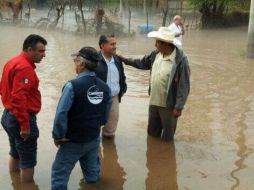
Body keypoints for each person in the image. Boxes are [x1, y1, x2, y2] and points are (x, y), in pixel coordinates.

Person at [51, 46, 112, 190]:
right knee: (92, 176)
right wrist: (96, 126)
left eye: (76, 61)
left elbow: (61, 114)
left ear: (82, 64)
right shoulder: (105, 87)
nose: (75, 64)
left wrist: (58, 135)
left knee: (59, 176)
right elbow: (105, 115)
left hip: (71, 140)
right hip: (93, 139)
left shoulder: (72, 86)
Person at [119, 27, 190, 141]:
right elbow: (142, 63)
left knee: (167, 137)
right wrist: (125, 60)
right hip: (154, 102)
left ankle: (166, 156)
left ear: (166, 44)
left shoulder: (180, 60)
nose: (155, 45)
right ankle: (153, 154)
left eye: (157, 42)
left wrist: (179, 107)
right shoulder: (156, 54)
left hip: (169, 105)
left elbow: (184, 86)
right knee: (152, 133)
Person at [0, 34, 47, 182]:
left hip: (8, 115)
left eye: (44, 51)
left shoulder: (12, 62)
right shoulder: (24, 68)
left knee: (15, 153)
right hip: (21, 118)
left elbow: (3, 87)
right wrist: (25, 125)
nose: (43, 55)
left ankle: (15, 182)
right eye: (40, 51)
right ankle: (26, 186)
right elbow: (19, 98)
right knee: (28, 161)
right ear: (29, 49)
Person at [95, 35, 127, 138]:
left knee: (111, 129)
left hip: (114, 98)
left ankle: (109, 149)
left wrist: (123, 89)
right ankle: (95, 151)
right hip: (96, 98)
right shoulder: (94, 59)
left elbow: (122, 76)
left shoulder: (118, 59)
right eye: (112, 44)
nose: (115, 46)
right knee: (94, 127)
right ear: (102, 46)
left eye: (115, 44)